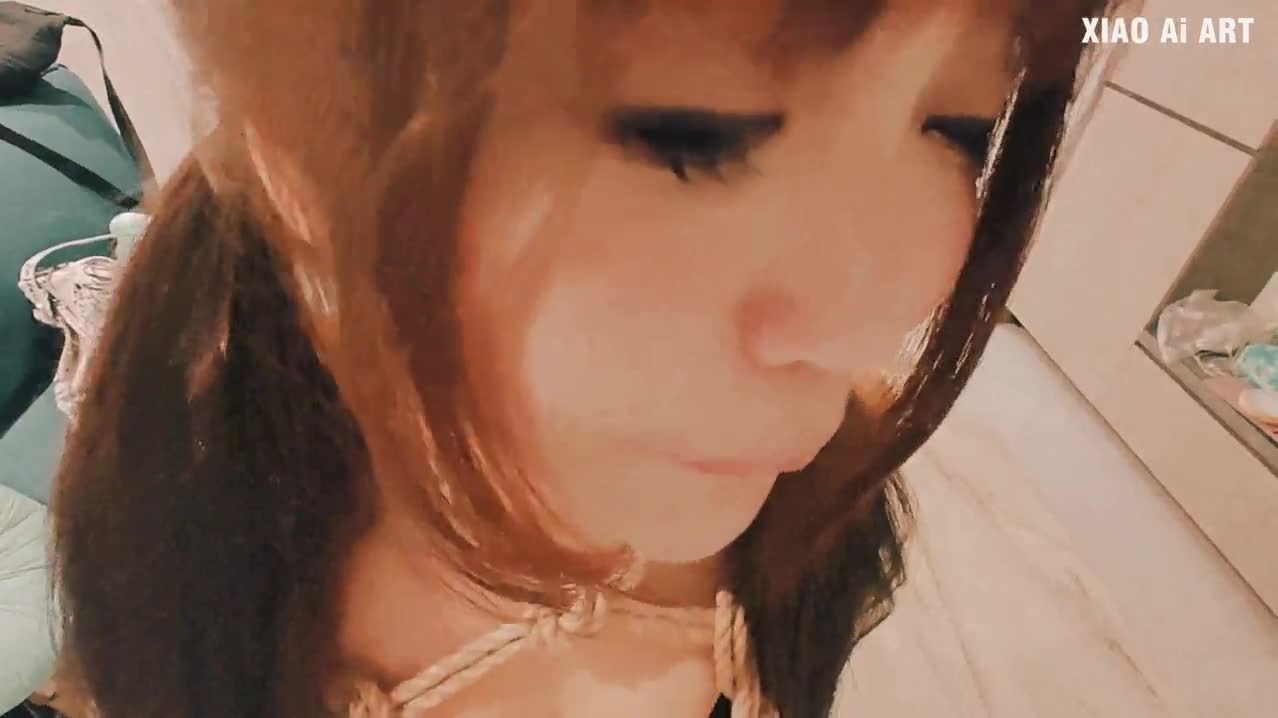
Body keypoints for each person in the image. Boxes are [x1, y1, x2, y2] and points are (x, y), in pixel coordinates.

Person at [49, 2, 1110, 716]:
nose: (861, 323)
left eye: (958, 127)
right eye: (695, 136)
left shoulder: (822, 522)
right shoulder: (189, 549)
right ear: (294, 154)